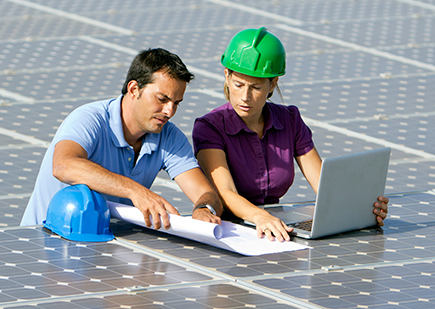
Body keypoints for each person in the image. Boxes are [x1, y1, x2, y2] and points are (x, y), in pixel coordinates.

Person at [193, 27, 389, 241]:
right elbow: (225, 192)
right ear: (226, 76)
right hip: (229, 233)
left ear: (273, 83)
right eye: (238, 85)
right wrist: (261, 217)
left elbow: (323, 185)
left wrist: (357, 210)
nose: (245, 97)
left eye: (256, 87)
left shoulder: (290, 120)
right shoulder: (210, 127)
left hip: (274, 228)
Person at [21, 48, 223, 230]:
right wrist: (135, 191)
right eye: (162, 99)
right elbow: (63, 165)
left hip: (99, 243)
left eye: (176, 103)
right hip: (44, 239)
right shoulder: (89, 119)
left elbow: (206, 193)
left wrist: (204, 209)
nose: (170, 111)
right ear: (134, 89)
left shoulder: (169, 136)